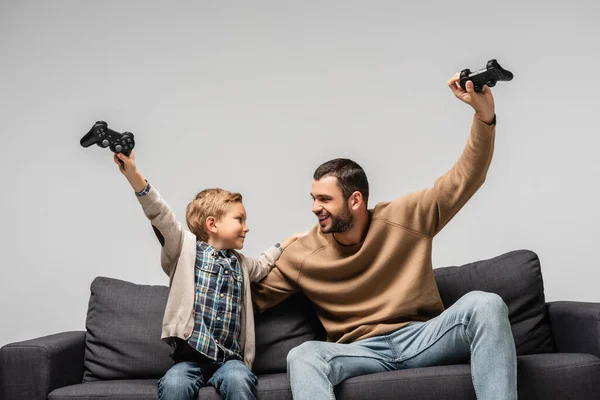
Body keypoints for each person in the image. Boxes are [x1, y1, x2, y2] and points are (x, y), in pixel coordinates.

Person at [251, 73, 517, 399]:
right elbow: (248, 297)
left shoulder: (406, 217)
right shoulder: (302, 254)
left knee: (486, 304)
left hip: (422, 338)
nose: (315, 208)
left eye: (324, 200)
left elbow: (465, 178)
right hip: (358, 351)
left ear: (355, 200)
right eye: (313, 198)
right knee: (303, 355)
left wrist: (483, 117)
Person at [113, 150, 307, 400]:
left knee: (239, 380)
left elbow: (265, 262)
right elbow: (160, 214)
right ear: (212, 224)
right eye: (240, 219)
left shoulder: (242, 264)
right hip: (189, 359)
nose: (246, 227)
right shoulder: (183, 248)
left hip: (230, 360)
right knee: (174, 385)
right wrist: (134, 176)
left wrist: (288, 241)